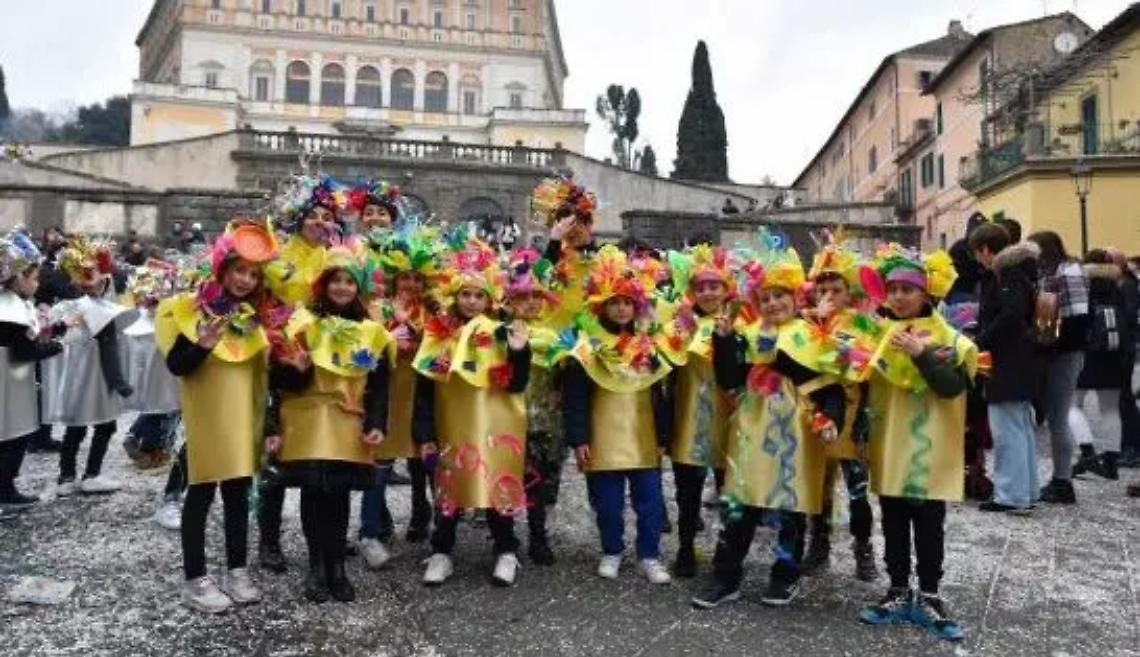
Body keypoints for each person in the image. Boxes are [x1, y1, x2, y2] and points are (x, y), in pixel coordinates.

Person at [692, 240, 840, 609]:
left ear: (794, 297)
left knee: (791, 507)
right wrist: (724, 341)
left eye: (780, 296)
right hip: (753, 427)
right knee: (740, 503)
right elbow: (729, 379)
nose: (773, 303)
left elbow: (830, 384)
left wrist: (831, 419)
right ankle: (726, 577)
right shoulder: (747, 334)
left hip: (798, 430)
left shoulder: (812, 333)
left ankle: (785, 576)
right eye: (766, 297)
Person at [155, 218, 278, 614]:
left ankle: (237, 570)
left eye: (253, 274)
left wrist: (269, 425)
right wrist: (204, 344)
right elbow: (178, 365)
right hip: (207, 422)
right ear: (223, 270)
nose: (245, 280)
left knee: (238, 495)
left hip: (241, 422)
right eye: (239, 270)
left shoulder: (250, 319)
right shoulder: (190, 310)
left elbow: (262, 379)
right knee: (201, 495)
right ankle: (196, 578)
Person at [858, 244, 976, 642]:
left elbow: (952, 388)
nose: (898, 297)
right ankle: (896, 589)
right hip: (890, 442)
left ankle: (929, 593)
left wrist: (923, 355)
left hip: (930, 448)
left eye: (907, 290)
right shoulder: (875, 333)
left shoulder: (950, 338)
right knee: (891, 516)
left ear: (925, 293)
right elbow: (860, 387)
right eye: (891, 289)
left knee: (928, 522)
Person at [266, 247, 390, 603]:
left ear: (358, 288)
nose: (342, 287)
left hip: (348, 420)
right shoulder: (302, 324)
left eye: (349, 281)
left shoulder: (371, 330)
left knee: (337, 494)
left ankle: (337, 565)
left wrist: (378, 422)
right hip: (307, 420)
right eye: (335, 280)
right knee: (313, 492)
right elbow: (279, 378)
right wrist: (297, 369)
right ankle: (317, 565)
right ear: (324, 285)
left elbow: (380, 383)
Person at [414, 237, 532, 587]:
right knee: (449, 486)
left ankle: (506, 549)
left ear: (489, 299)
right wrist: (423, 434)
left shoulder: (503, 333)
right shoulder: (439, 335)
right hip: (452, 423)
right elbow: (424, 389)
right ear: (455, 297)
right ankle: (441, 551)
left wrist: (519, 353)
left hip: (497, 425)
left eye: (479, 295)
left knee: (498, 485)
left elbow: (516, 384)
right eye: (465, 294)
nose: (471, 301)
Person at [562, 245, 674, 585]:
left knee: (651, 502)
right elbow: (575, 397)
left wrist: (665, 436)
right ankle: (611, 550)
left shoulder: (649, 343)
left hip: (643, 435)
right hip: (602, 436)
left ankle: (649, 554)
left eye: (627, 302)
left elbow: (661, 393)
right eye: (614, 302)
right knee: (608, 503)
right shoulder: (588, 345)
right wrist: (578, 438)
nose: (621, 308)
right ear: (602, 306)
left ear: (636, 305)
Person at [258, 175, 345, 574]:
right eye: (312, 215)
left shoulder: (340, 256)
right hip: (284, 359)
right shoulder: (278, 255)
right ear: (299, 219)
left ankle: (331, 536)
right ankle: (269, 540)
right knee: (276, 449)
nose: (319, 222)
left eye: (326, 216)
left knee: (329, 445)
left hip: (327, 362)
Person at [357, 221, 441, 568]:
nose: (410, 284)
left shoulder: (436, 312)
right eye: (405, 277)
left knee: (428, 464)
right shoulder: (377, 308)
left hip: (423, 395)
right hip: (387, 394)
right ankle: (369, 532)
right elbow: (364, 351)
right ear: (393, 277)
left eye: (417, 279)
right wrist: (391, 337)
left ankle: (433, 526)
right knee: (378, 464)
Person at [797, 233, 879, 581]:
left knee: (857, 489)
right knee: (818, 485)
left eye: (836, 290)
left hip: (851, 412)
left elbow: (857, 363)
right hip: (816, 414)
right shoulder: (805, 322)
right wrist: (813, 323)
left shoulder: (860, 324)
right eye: (822, 290)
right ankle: (819, 543)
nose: (828, 296)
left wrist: (863, 421)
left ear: (850, 294)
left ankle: (863, 548)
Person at [662, 244, 736, 579]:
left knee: (730, 493)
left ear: (726, 290)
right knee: (687, 492)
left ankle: (727, 553)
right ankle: (686, 547)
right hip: (688, 418)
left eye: (714, 286)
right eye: (701, 287)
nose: (707, 292)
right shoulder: (680, 324)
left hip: (729, 420)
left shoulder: (740, 324)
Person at [47, 237, 135, 496]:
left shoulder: (70, 305)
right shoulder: (99, 310)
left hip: (77, 374)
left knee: (75, 426)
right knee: (105, 425)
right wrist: (120, 383)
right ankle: (91, 474)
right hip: (98, 377)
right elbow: (108, 351)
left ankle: (66, 476)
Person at [501, 247, 569, 566]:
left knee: (540, 481)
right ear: (510, 301)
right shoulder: (500, 334)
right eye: (523, 297)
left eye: (536, 297)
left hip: (545, 419)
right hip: (508, 418)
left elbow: (565, 372)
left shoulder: (555, 335)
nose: (531, 302)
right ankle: (506, 537)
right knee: (507, 476)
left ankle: (538, 536)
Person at [969, 223, 1043, 513]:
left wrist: (980, 340)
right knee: (1021, 427)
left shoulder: (1006, 273)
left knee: (1007, 429)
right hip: (1022, 359)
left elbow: (1011, 315)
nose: (978, 260)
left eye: (978, 253)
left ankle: (1011, 495)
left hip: (1007, 362)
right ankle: (1027, 491)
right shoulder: (1021, 270)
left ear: (986, 249)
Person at [0, 231, 65, 507]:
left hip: (10, 379)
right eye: (34, 278)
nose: (38, 283)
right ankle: (6, 490)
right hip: (9, 382)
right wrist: (56, 347)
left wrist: (56, 330)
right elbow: (24, 350)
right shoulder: (11, 309)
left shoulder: (9, 304)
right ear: (18, 278)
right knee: (14, 435)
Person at [1028, 231, 1090, 504]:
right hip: (1053, 352)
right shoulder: (1050, 272)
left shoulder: (1069, 271)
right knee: (1055, 417)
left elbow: (1077, 318)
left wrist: (1050, 343)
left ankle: (1063, 481)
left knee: (1058, 419)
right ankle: (1060, 479)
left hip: (1064, 354)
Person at [1069, 249, 1132, 481]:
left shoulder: (1082, 283)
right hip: (1113, 352)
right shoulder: (1118, 285)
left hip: (1087, 351)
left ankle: (1088, 453)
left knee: (1072, 404)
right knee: (1110, 408)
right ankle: (1112, 464)